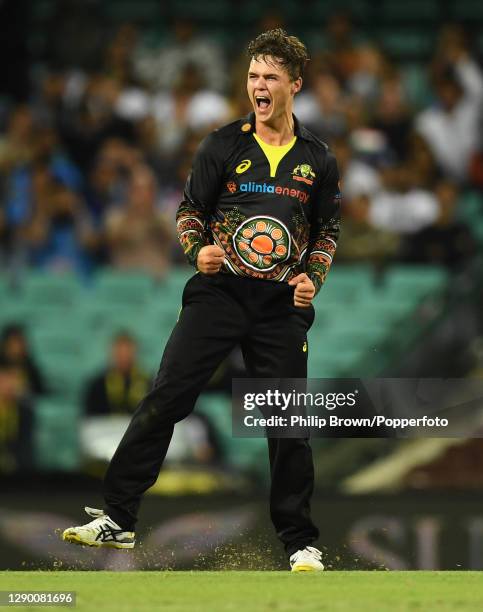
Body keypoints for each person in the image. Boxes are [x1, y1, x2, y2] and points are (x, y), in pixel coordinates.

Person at [62, 29, 341, 572]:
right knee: (166, 397)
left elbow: (327, 230)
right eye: (253, 76)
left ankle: (300, 543)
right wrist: (200, 251)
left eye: (270, 78)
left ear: (295, 85)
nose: (259, 86)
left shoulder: (318, 159)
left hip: (281, 305)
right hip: (219, 295)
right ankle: (118, 519)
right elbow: (190, 212)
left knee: (288, 422)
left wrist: (314, 277)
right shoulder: (222, 145)